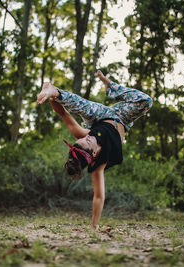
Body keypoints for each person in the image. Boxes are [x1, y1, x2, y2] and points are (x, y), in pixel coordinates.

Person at [37, 70, 152, 229]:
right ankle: (60, 91)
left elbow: (64, 114)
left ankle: (57, 90)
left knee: (84, 107)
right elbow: (99, 197)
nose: (87, 136)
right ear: (94, 154)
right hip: (123, 120)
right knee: (146, 101)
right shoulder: (100, 164)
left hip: (101, 116)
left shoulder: (85, 133)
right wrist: (93, 226)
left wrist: (52, 97)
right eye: (88, 141)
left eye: (83, 138)